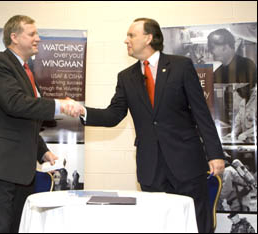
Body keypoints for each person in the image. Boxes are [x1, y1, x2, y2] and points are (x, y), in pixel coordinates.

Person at [70, 18, 225, 233]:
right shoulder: (126, 77)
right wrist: (83, 111)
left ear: (149, 38)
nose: (126, 40)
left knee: (196, 223)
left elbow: (201, 113)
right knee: (157, 225)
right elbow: (114, 115)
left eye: (131, 35)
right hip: (151, 168)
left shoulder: (181, 66)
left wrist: (215, 154)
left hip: (186, 163)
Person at [0, 15, 79, 233]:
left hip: (19, 172)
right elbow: (14, 104)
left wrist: (43, 152)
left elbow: (24, 121)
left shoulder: (28, 73)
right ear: (14, 37)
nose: (38, 38)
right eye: (32, 33)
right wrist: (60, 105)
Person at [207, 28, 257, 127]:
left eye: (212, 47)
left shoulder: (247, 65)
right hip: (227, 124)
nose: (210, 52)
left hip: (246, 123)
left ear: (225, 47)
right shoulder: (217, 73)